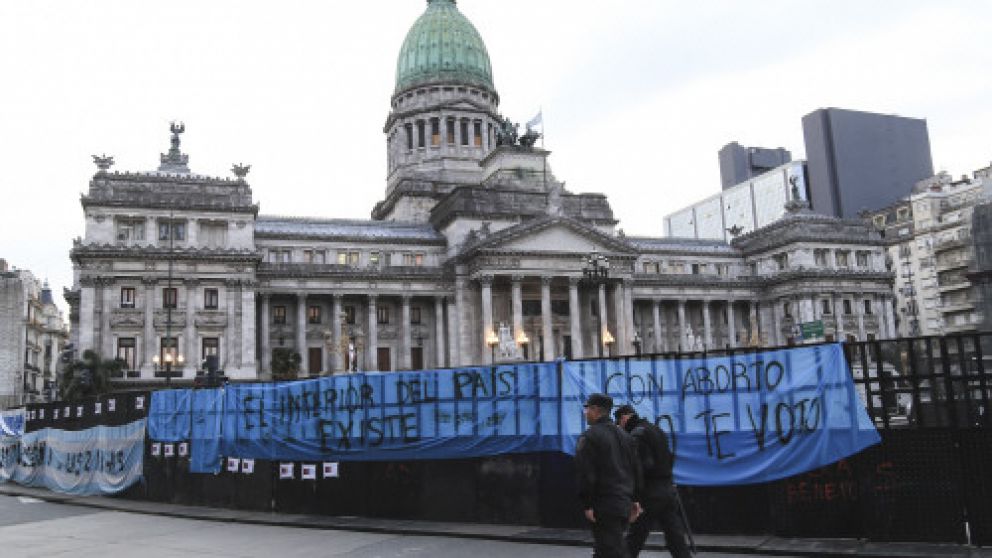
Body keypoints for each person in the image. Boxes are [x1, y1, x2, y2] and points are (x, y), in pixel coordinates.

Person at [614, 404, 692, 558]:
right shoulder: (657, 430)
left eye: (618, 423)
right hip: (667, 490)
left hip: (649, 492)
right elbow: (669, 457)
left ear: (624, 418)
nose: (620, 427)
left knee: (634, 538)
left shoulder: (637, 434)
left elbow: (641, 466)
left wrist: (635, 496)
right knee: (675, 538)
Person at [575, 393, 643, 558]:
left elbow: (586, 472)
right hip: (623, 502)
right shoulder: (626, 437)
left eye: (587, 409)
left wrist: (587, 504)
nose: (585, 413)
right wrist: (635, 499)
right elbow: (636, 470)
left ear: (596, 410)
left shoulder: (590, 436)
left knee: (612, 550)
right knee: (606, 548)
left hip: (604, 504)